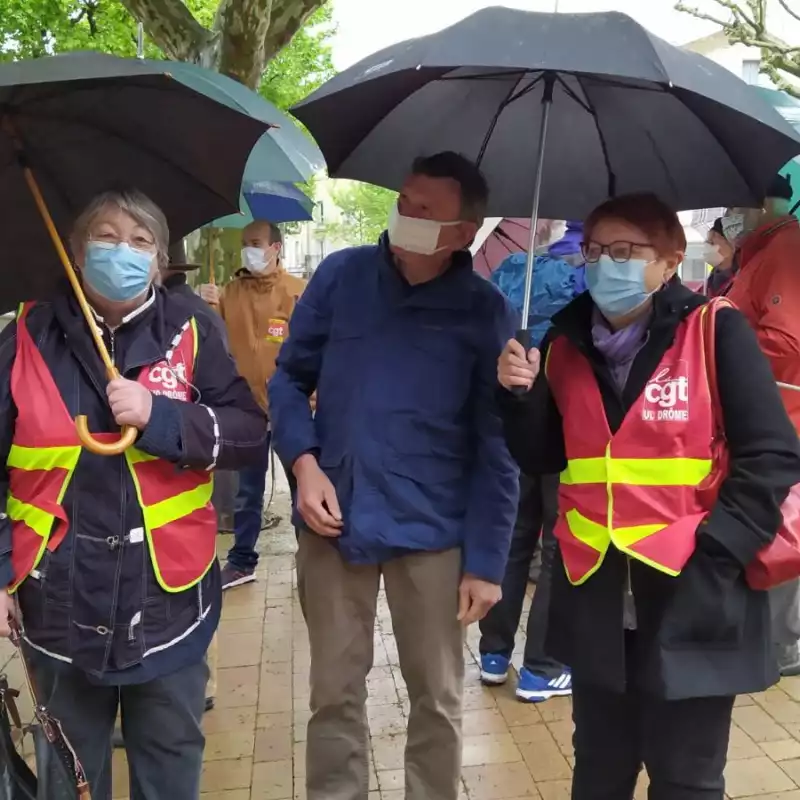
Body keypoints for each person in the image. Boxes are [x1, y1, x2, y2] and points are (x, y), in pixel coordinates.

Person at [497, 192, 800, 800]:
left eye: (623, 251)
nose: (604, 264)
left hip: (694, 593)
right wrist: (518, 399)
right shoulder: (563, 343)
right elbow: (547, 459)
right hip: (598, 595)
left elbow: (771, 455)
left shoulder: (715, 330)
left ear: (669, 260)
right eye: (593, 251)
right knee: (599, 771)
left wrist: (719, 556)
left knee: (685, 777)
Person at [0, 189, 268, 799]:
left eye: (141, 240)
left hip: (169, 598)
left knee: (171, 761)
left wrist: (162, 416)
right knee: (66, 771)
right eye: (106, 235)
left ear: (160, 260)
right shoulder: (26, 336)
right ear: (74, 249)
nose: (122, 250)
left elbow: (250, 436)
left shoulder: (193, 327)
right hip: (55, 601)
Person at [269, 151, 519, 800]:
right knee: (333, 692)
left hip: (433, 531)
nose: (405, 216)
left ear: (464, 232)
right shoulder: (341, 278)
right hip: (336, 520)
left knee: (437, 697)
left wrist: (487, 562)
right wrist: (302, 463)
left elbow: (499, 447)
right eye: (404, 200)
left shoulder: (485, 311)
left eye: (426, 211)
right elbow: (289, 379)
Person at [479, 222, 584, 701]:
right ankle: (543, 666)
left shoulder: (504, 271)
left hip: (513, 400)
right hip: (563, 410)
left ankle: (494, 653)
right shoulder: (579, 275)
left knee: (514, 535)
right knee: (558, 540)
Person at [200, 221, 306, 590]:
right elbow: (216, 344)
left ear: (275, 247)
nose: (249, 250)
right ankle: (242, 560)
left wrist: (310, 398)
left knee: (302, 487)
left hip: (291, 408)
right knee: (247, 492)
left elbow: (314, 349)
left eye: (256, 243)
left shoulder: (297, 293)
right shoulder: (229, 293)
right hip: (246, 410)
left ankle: (309, 557)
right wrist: (210, 309)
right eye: (246, 244)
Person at [724, 174, 800, 676]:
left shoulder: (786, 250)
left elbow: (787, 342)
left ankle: (783, 645)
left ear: (761, 204)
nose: (726, 216)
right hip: (764, 414)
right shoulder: (760, 251)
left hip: (783, 416)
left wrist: (722, 343)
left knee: (782, 526)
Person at [703, 218, 736, 297]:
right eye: (707, 242)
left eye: (712, 243)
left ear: (731, 245)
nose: (707, 247)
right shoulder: (708, 284)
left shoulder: (741, 281)